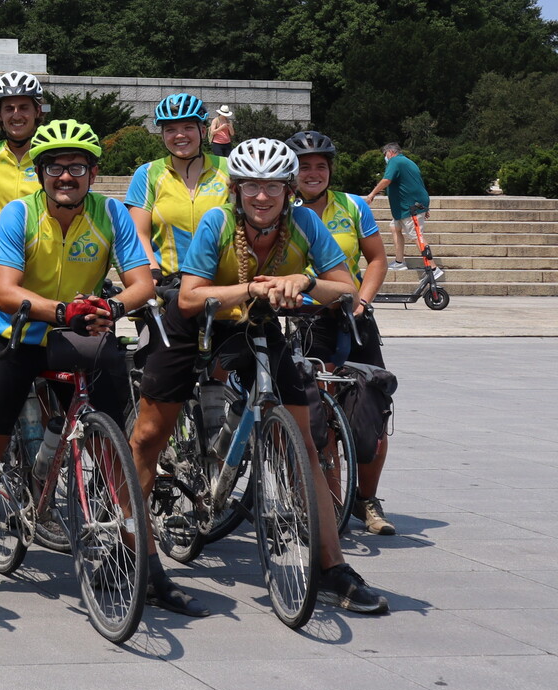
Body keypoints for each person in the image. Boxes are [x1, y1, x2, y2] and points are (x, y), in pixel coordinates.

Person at [129, 138, 389, 616]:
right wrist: (251, 287)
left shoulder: (306, 222)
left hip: (259, 321)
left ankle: (333, 568)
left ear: (289, 190)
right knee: (147, 436)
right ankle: (132, 550)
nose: (262, 196)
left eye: (273, 185)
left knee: (306, 445)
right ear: (236, 188)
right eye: (252, 186)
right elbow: (189, 297)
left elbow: (346, 289)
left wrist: (306, 282)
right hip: (197, 323)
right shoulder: (218, 222)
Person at [0, 120, 153, 610]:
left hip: (83, 335)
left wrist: (116, 308)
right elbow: (4, 291)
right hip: (18, 337)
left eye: (77, 167)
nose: (67, 176)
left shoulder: (110, 213)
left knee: (116, 454)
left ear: (92, 172)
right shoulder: (21, 213)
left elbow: (141, 281)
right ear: (41, 173)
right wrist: (63, 310)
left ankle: (144, 560)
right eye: (56, 167)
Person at [289, 130, 399, 537]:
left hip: (352, 318)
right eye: (303, 166)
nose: (312, 173)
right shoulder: (281, 209)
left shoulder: (352, 207)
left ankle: (366, 499)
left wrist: (363, 302)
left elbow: (376, 259)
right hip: (306, 322)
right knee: (320, 414)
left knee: (372, 408)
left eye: (320, 166)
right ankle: (331, 506)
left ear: (331, 170)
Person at [126, 94, 230, 342]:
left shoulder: (228, 168)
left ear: (203, 131)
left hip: (220, 285)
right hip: (166, 286)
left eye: (187, 127)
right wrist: (152, 275)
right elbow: (138, 233)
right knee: (155, 371)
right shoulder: (149, 173)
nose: (179, 135)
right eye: (170, 129)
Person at [0, 73, 47, 230]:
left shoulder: (50, 157)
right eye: (9, 108)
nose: (16, 115)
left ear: (37, 111)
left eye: (24, 107)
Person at [366, 141, 431, 270]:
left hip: (410, 207)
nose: (386, 158)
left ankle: (433, 268)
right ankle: (399, 262)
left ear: (390, 152)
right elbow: (417, 183)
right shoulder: (408, 162)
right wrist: (425, 206)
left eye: (385, 154)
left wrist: (372, 194)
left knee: (416, 236)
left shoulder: (394, 161)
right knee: (394, 228)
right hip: (408, 206)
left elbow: (386, 180)